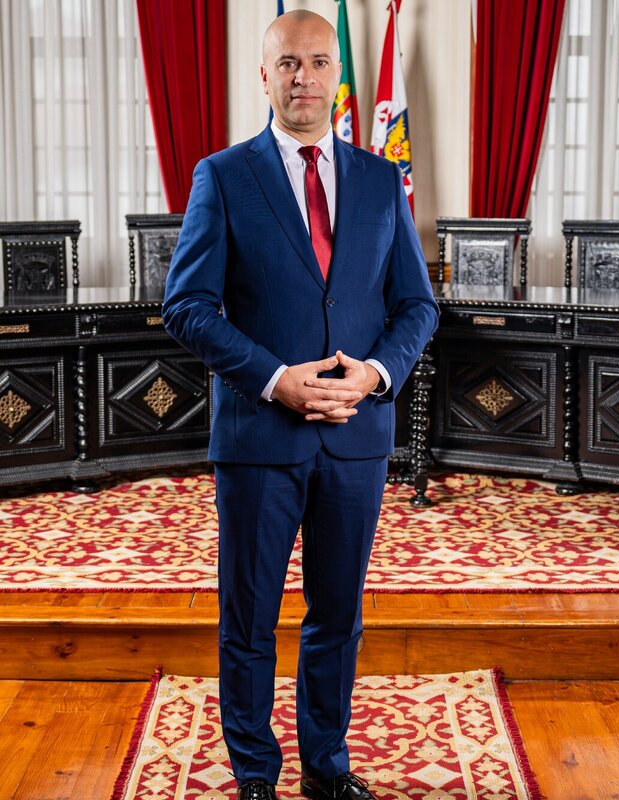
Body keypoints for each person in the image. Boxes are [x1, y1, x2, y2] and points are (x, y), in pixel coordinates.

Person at [162, 10, 439, 800]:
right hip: (259, 436)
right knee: (248, 619)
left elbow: (416, 306)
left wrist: (375, 374)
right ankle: (254, 773)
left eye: (319, 62)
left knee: (338, 616)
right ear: (265, 76)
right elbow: (186, 306)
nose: (305, 77)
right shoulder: (223, 176)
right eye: (288, 63)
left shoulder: (381, 179)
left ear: (335, 76)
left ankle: (326, 765)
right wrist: (275, 378)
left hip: (356, 437)